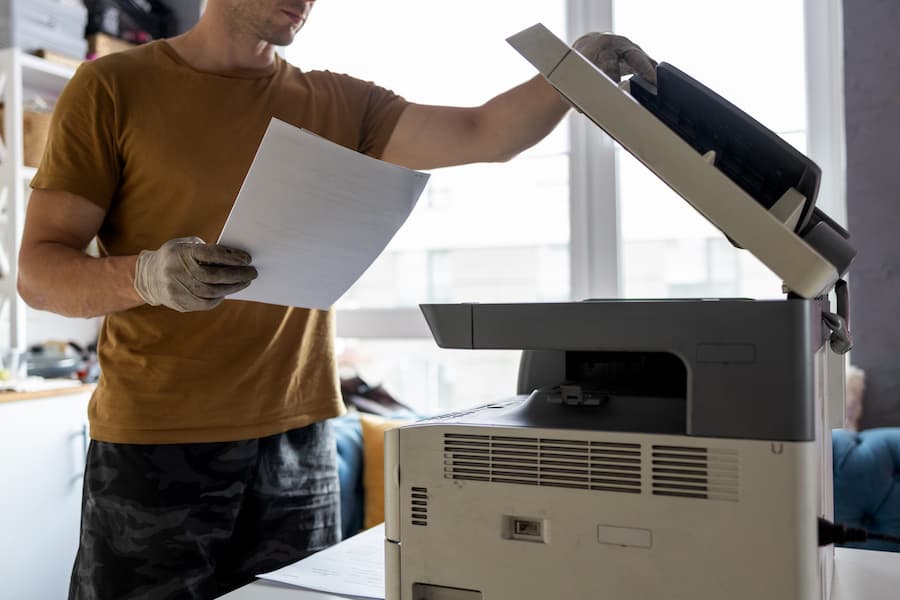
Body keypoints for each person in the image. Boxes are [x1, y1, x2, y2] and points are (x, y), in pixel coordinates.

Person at [17, 1, 657, 598]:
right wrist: (146, 277)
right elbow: (40, 273)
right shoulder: (113, 87)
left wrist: (574, 72)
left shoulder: (336, 102)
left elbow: (486, 132)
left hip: (301, 439)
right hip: (156, 443)